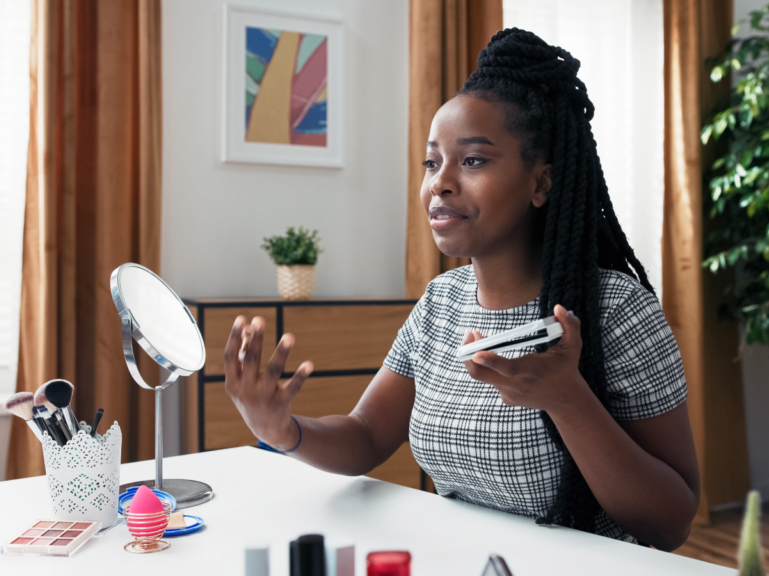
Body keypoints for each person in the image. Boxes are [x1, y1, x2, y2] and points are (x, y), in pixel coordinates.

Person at [223, 29, 699, 550]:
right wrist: (282, 430)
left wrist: (568, 400)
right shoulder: (440, 303)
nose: (440, 183)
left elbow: (671, 524)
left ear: (541, 183)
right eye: (432, 162)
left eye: (472, 160)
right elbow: (364, 436)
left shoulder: (616, 310)